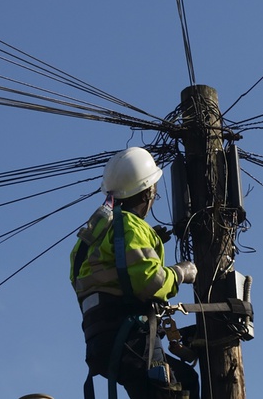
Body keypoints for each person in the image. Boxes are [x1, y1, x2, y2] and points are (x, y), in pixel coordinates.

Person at [70, 147, 200, 399]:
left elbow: (99, 276)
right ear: (147, 192)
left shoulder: (90, 236)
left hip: (98, 341)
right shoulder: (132, 227)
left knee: (172, 382)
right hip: (129, 336)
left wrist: (149, 245)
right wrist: (181, 273)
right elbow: (151, 282)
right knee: (180, 387)